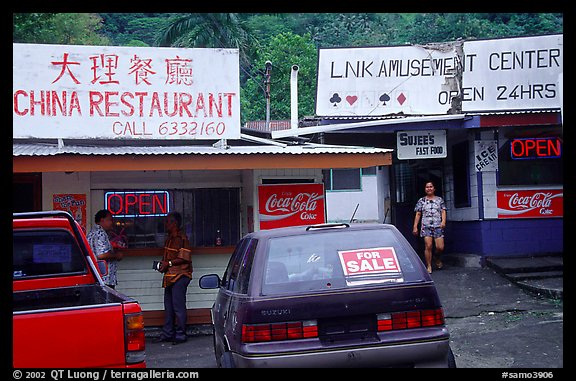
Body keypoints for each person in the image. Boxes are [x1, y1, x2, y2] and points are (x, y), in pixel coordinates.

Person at [156, 211, 193, 345]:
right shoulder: (169, 238)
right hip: (169, 276)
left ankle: (181, 334)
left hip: (180, 276)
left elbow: (185, 258)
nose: (165, 224)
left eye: (168, 222)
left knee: (178, 307)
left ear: (174, 223)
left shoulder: (182, 238)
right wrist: (163, 264)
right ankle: (168, 333)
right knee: (169, 307)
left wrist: (169, 263)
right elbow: (167, 257)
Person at [412, 181, 447, 274]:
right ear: (425, 189)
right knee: (428, 246)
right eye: (427, 187)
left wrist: (443, 221)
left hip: (438, 225)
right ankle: (429, 265)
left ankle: (437, 257)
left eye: (431, 187)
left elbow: (443, 211)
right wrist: (415, 226)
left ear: (434, 188)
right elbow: (418, 213)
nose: (429, 188)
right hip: (426, 226)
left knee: (440, 247)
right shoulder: (421, 200)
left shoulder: (439, 200)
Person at [87, 209, 123, 288]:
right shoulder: (100, 233)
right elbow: (101, 255)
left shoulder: (93, 232)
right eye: (109, 220)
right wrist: (116, 255)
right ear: (102, 220)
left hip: (98, 277)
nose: (111, 222)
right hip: (104, 279)